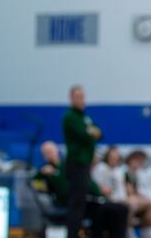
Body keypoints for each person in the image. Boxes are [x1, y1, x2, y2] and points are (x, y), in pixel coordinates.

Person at [35, 141, 128, 238]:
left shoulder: (67, 164)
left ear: (57, 150)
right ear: (44, 155)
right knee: (103, 210)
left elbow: (87, 184)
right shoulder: (44, 170)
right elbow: (43, 187)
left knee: (121, 209)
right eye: (46, 152)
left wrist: (100, 193)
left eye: (51, 151)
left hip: (85, 199)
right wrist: (43, 175)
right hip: (70, 203)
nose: (49, 154)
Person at [62, 85, 101, 237]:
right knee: (76, 204)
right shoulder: (70, 117)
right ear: (71, 98)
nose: (81, 100)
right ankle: (72, 234)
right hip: (76, 165)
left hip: (85, 165)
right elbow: (87, 135)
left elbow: (99, 132)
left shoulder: (84, 116)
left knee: (83, 202)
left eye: (83, 97)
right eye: (78, 97)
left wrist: (93, 133)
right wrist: (91, 133)